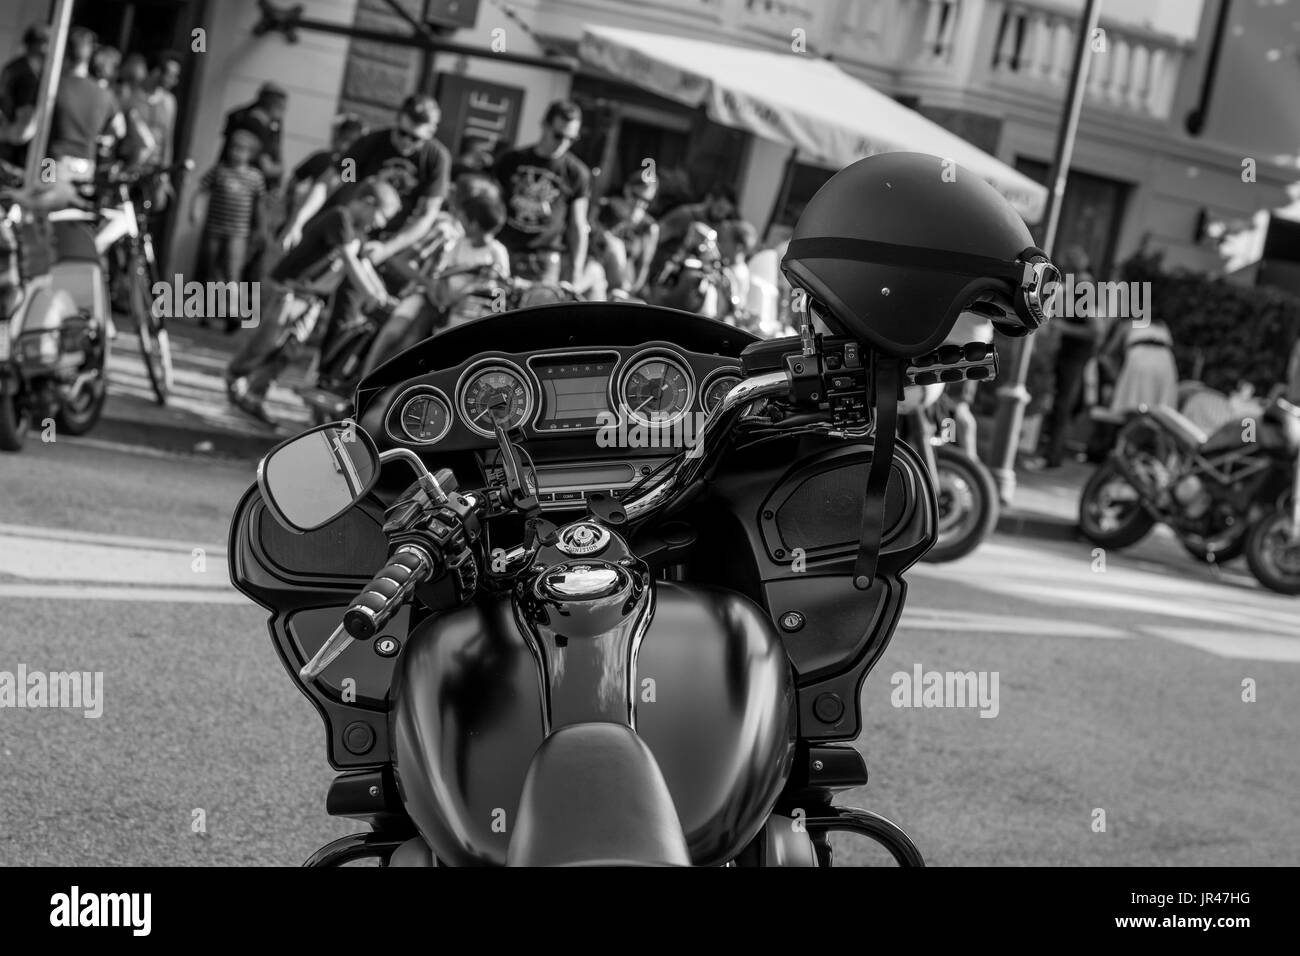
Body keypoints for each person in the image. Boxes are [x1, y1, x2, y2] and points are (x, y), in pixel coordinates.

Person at [279, 94, 451, 371]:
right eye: (403, 133)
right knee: (340, 312)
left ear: (430, 133)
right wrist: (297, 221)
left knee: (378, 317)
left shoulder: (435, 158)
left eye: (415, 138)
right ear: (397, 120)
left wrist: (389, 249)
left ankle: (355, 384)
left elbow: (427, 214)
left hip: (398, 247)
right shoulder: (371, 143)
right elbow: (331, 181)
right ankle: (322, 378)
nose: (406, 142)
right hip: (358, 239)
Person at [225, 178, 402, 423]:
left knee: (289, 350)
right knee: (266, 342)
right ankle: (235, 378)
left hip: (311, 299)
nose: (380, 224)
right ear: (367, 203)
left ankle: (255, 394)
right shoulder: (339, 218)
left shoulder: (358, 234)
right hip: (288, 290)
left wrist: (383, 296)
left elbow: (364, 265)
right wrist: (372, 297)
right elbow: (349, 261)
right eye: (381, 216)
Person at [358, 178, 509, 380]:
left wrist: (497, 314)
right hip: (435, 300)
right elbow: (439, 274)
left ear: (473, 223)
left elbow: (502, 289)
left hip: (469, 311)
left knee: (415, 346)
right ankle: (364, 382)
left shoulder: (496, 251)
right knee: (396, 335)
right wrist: (439, 294)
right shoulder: (453, 237)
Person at [492, 99, 591, 285]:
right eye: (558, 135)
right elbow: (491, 206)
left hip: (544, 260)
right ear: (544, 126)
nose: (564, 143)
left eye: (571, 138)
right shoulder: (511, 160)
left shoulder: (577, 173)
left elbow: (578, 225)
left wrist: (576, 271)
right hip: (504, 251)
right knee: (496, 311)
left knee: (536, 313)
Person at [1033, 245, 1105, 469]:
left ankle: (1051, 458)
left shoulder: (1084, 286)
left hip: (1075, 356)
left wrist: (1063, 327)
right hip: (1073, 355)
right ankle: (1051, 455)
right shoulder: (1083, 285)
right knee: (1063, 405)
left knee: (1062, 406)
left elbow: (1096, 330)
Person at [190, 129, 265, 330]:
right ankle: (206, 311)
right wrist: (195, 210)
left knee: (233, 272)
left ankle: (233, 312)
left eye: (242, 149)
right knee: (210, 269)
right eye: (234, 148)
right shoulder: (219, 171)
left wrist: (260, 229)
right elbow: (201, 190)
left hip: (238, 233)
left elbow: (259, 206)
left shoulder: (254, 177)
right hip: (214, 228)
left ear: (251, 154)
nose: (237, 153)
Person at [282, 114, 366, 227]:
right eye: (345, 139)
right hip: (314, 220)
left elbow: (293, 182)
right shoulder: (330, 160)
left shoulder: (345, 163)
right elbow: (294, 182)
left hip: (319, 220)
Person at [600, 175, 659, 296]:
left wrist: (631, 292)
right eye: (635, 196)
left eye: (646, 201)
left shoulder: (649, 227)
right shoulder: (607, 208)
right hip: (599, 271)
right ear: (626, 189)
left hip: (624, 284)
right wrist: (623, 222)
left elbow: (644, 266)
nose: (639, 204)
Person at [1106, 318, 1178, 416]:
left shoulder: (1128, 324)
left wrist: (1115, 379)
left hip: (1140, 357)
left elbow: (1109, 353)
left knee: (1130, 402)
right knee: (1162, 406)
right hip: (1166, 360)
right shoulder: (1162, 326)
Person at [0, 23, 48, 168]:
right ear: (38, 44)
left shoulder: (14, 66)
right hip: (13, 150)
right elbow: (23, 129)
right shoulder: (27, 75)